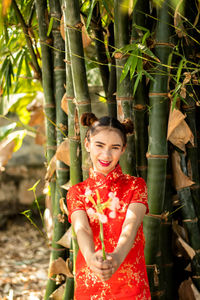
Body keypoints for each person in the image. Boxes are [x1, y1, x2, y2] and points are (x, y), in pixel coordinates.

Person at [67, 112, 151, 300]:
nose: (106, 154)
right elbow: (82, 229)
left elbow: (131, 226)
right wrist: (90, 258)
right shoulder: (76, 192)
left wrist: (116, 258)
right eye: (99, 145)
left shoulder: (136, 185)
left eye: (114, 147)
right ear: (87, 144)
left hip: (130, 282)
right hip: (91, 279)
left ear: (123, 149)